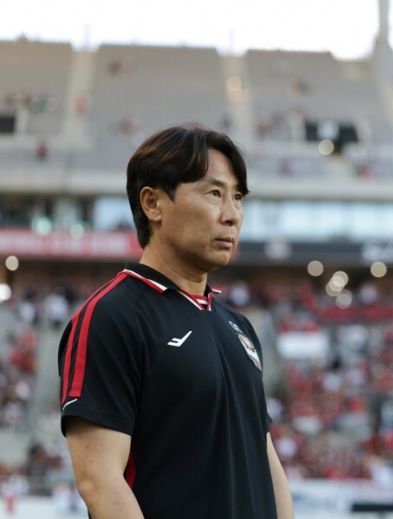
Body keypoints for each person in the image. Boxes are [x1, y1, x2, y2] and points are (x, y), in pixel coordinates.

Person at [58, 125, 294, 519]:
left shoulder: (239, 327)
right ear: (152, 204)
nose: (232, 215)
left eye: (237, 197)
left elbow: (265, 458)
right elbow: (100, 481)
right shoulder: (112, 317)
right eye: (214, 193)